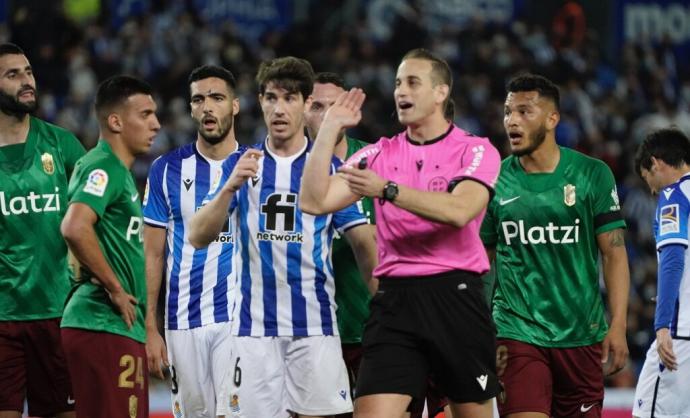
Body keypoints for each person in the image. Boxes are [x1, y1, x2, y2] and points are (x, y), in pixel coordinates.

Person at [301, 48, 501, 418]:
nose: (400, 91)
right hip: (394, 302)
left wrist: (388, 190)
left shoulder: (475, 150)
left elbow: (459, 211)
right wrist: (328, 129)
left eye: (412, 82)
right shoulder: (379, 153)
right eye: (396, 83)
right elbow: (314, 200)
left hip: (455, 297)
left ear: (441, 92)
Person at [189, 57, 377, 418]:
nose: (279, 108)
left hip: (315, 328)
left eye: (289, 98)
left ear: (306, 105)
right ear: (260, 101)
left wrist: (387, 315)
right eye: (271, 98)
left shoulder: (331, 171)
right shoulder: (242, 164)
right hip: (253, 331)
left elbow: (364, 247)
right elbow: (197, 236)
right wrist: (229, 188)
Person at [480, 73, 630, 418]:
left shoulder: (592, 174)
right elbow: (483, 260)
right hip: (516, 331)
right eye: (507, 112)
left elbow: (614, 252)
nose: (512, 121)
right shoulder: (492, 181)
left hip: (580, 333)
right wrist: (478, 327)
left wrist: (618, 323)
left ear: (552, 119)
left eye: (524, 112)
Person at [143, 64, 244, 418]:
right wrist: (149, 328)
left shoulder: (257, 166)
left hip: (239, 319)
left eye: (217, 98)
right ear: (190, 108)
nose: (207, 107)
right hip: (181, 320)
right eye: (198, 99)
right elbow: (152, 254)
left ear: (235, 104)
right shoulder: (166, 170)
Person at [59, 75, 160, 418]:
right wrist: (115, 288)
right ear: (115, 121)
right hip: (102, 321)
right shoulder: (104, 167)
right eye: (145, 114)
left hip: (111, 325)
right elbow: (74, 226)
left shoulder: (117, 171)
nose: (156, 124)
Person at [0, 42, 85, 418]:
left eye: (28, 72)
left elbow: (101, 213)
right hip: (3, 317)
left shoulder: (62, 144)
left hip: (59, 312)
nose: (26, 81)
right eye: (13, 74)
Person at [305, 71, 376, 406]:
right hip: (308, 333)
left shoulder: (378, 163)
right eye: (317, 106)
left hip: (369, 330)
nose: (327, 116)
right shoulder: (283, 167)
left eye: (334, 107)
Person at [632, 128, 690, 417]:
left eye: (648, 180)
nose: (653, 190)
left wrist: (662, 324)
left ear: (656, 163)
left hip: (680, 335)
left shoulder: (674, 194)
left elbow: (673, 259)